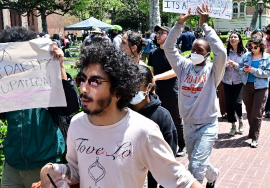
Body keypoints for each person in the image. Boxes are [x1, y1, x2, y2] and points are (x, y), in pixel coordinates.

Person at [39, 43, 202, 188]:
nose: (83, 89)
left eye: (95, 82)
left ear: (118, 90)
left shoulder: (143, 131)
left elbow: (182, 181)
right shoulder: (77, 124)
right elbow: (77, 170)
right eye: (81, 80)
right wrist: (57, 170)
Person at [0, 26, 80, 188]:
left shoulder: (45, 82)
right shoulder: (5, 88)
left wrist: (61, 68)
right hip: (12, 167)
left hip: (44, 166)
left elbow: (71, 106)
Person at [164, 4, 226, 187]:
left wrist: (205, 25)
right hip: (189, 123)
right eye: (193, 49)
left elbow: (221, 52)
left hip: (207, 123)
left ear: (207, 54)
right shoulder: (183, 66)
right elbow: (169, 48)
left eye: (200, 50)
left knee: (195, 166)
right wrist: (179, 24)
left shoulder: (214, 71)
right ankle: (213, 175)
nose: (195, 52)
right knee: (197, 162)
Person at [130, 65, 178, 188]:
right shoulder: (121, 113)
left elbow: (169, 155)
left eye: (136, 85)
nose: (131, 89)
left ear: (149, 87)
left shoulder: (162, 116)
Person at [148, 25, 186, 158]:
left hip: (172, 91)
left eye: (162, 33)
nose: (158, 35)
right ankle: (164, 145)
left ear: (169, 35)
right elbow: (152, 70)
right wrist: (151, 86)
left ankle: (182, 144)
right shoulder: (153, 53)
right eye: (157, 33)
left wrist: (156, 78)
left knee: (176, 119)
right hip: (157, 92)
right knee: (158, 120)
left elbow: (175, 72)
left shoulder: (175, 53)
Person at [239, 35, 270, 148]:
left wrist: (253, 70)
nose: (253, 49)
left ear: (261, 46)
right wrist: (243, 69)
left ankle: (255, 137)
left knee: (257, 113)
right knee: (249, 112)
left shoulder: (267, 57)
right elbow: (239, 69)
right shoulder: (246, 56)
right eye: (251, 47)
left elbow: (268, 73)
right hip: (247, 86)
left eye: (255, 47)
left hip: (261, 87)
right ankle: (252, 130)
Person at [222, 32, 247, 136]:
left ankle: (240, 119)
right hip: (227, 81)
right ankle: (233, 125)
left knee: (237, 103)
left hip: (239, 81)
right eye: (231, 37)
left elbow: (245, 68)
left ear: (239, 40)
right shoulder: (225, 52)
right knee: (229, 104)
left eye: (235, 37)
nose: (233, 39)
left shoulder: (244, 52)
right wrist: (225, 65)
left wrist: (235, 64)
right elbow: (218, 64)